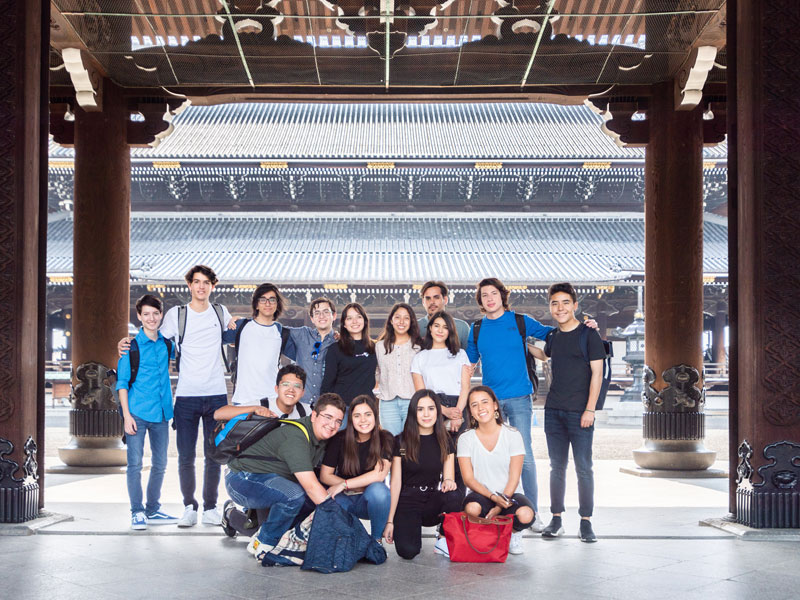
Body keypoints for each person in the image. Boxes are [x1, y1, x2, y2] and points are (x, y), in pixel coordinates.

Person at [120, 264, 235, 528]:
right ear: (190, 285)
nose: (201, 286)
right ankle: (189, 507)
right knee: (185, 456)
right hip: (186, 395)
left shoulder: (220, 312)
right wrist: (126, 343)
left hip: (216, 392)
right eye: (197, 282)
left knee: (214, 454)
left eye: (207, 282)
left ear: (213, 286)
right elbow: (153, 337)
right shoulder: (176, 315)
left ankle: (210, 507)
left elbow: (232, 335)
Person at [465, 277, 552, 531]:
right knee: (492, 455)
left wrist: (585, 325)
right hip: (490, 402)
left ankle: (532, 512)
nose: (489, 298)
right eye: (484, 295)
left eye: (494, 293)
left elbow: (552, 334)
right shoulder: (477, 329)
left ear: (503, 296)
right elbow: (468, 364)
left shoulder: (520, 321)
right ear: (480, 301)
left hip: (519, 397)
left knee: (524, 456)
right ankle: (496, 506)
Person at [224, 393, 347, 562]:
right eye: (328, 417)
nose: (332, 425)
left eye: (338, 421)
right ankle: (261, 544)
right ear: (314, 416)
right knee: (294, 496)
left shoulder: (322, 437)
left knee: (278, 525)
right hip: (242, 480)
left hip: (272, 482)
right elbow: (311, 487)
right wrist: (342, 521)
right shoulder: (296, 437)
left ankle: (247, 524)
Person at [536, 282, 605, 543]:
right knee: (557, 467)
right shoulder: (553, 336)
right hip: (553, 411)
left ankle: (586, 522)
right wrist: (516, 342)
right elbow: (544, 355)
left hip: (580, 413)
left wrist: (590, 409)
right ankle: (556, 518)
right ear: (550, 307)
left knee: (584, 468)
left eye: (565, 302)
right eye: (555, 303)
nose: (560, 307)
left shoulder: (589, 335)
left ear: (575, 305)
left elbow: (597, 374)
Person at [115, 294, 177, 530]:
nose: (151, 318)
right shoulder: (130, 347)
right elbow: (121, 383)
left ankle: (153, 509)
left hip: (161, 414)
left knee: (160, 464)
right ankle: (137, 511)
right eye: (146, 314)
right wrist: (126, 416)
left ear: (161, 315)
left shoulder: (167, 345)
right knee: (135, 464)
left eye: (155, 313)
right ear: (139, 317)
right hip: (137, 414)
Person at [384, 389, 462, 560]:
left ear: (437, 411)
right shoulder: (401, 440)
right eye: (420, 409)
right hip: (407, 499)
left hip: (431, 499)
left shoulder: (446, 439)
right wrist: (390, 521)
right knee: (408, 551)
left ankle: (442, 538)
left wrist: (449, 481)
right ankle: (409, 528)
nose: (426, 414)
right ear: (414, 412)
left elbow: (448, 477)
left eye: (431, 408)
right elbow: (395, 483)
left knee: (454, 494)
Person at [457, 386, 536, 555]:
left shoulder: (512, 434)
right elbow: (469, 480)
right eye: (474, 405)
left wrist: (500, 506)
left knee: (526, 515)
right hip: (482, 494)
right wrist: (493, 498)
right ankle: (489, 533)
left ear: (494, 405)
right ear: (470, 411)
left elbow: (514, 477)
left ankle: (512, 533)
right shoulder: (465, 438)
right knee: (471, 509)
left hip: (510, 494)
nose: (480, 408)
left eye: (485, 402)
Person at [320, 394, 393, 542]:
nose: (363, 420)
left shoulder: (386, 438)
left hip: (369, 501)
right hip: (345, 498)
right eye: (357, 415)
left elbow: (379, 475)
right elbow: (325, 475)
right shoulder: (339, 439)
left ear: (375, 416)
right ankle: (349, 542)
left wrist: (345, 484)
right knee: (331, 499)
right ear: (351, 419)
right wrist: (351, 487)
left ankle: (376, 540)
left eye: (368, 414)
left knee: (379, 490)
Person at [411, 310, 471, 434]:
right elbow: (421, 392)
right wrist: (443, 410)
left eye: (445, 327)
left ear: (450, 331)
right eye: (436, 326)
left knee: (459, 447)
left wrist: (457, 414)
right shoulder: (419, 357)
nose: (440, 331)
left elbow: (465, 388)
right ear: (430, 328)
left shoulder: (461, 354)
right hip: (431, 405)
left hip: (458, 404)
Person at [229, 283, 286, 407]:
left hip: (272, 399)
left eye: (272, 300)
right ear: (256, 304)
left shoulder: (280, 330)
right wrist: (228, 319)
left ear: (277, 304)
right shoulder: (241, 325)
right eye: (263, 299)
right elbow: (213, 338)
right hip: (244, 399)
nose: (267, 303)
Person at [375, 303, 423, 435]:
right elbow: (377, 373)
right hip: (387, 403)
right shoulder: (379, 347)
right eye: (397, 317)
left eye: (406, 318)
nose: (401, 322)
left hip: (412, 401)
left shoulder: (419, 347)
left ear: (411, 321)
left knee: (410, 443)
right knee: (390, 443)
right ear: (391, 320)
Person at [283, 297, 338, 406]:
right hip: (302, 402)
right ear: (312, 318)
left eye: (326, 312)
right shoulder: (302, 334)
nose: (321, 316)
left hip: (327, 404)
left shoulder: (339, 342)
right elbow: (273, 329)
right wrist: (244, 321)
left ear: (334, 316)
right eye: (317, 313)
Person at [320, 302, 377, 408]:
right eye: (349, 318)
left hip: (366, 406)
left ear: (364, 321)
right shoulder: (335, 349)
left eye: (358, 317)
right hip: (342, 406)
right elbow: (328, 382)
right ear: (344, 324)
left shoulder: (374, 347)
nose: (354, 321)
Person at [215, 364, 311, 423]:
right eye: (285, 384)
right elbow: (218, 414)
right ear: (276, 389)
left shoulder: (307, 411)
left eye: (297, 386)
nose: (291, 390)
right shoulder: (263, 405)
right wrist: (255, 409)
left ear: (303, 392)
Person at [417, 281, 471, 349]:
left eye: (436, 297)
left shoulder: (462, 327)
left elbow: (469, 357)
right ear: (423, 302)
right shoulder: (415, 327)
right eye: (428, 298)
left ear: (445, 300)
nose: (432, 302)